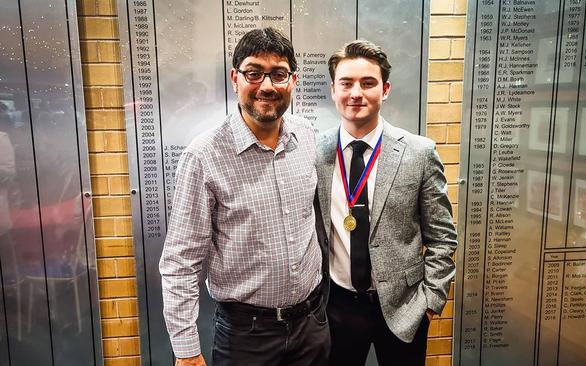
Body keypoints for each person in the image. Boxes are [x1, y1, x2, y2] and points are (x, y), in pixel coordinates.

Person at [160, 27, 329, 366]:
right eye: (254, 73)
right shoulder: (204, 155)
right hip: (246, 337)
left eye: (279, 74)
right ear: (235, 78)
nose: (267, 86)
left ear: (293, 81)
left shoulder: (306, 137)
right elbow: (181, 262)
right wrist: (186, 350)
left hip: (311, 325)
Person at [316, 40, 457, 365]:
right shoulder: (315, 152)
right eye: (346, 83)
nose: (356, 93)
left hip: (404, 308)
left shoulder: (419, 153)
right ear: (333, 90)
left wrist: (431, 302)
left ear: (386, 89)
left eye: (368, 83)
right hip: (336, 307)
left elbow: (443, 237)